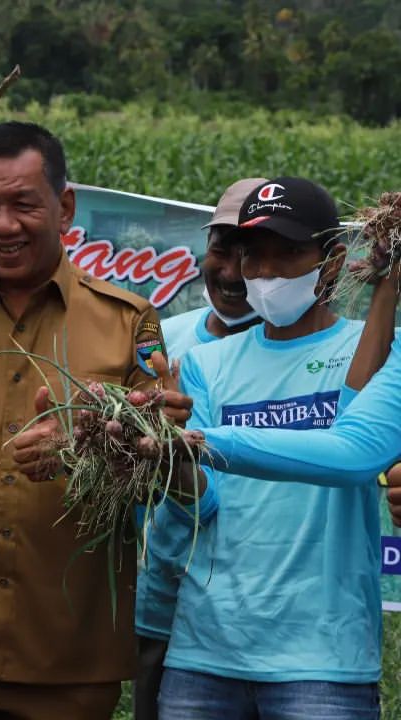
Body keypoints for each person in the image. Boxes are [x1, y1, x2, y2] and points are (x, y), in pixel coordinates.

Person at [0, 120, 196, 719]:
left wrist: (117, 444)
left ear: (65, 206)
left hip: (69, 649)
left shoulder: (128, 322)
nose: (2, 226)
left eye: (24, 204)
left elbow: (172, 482)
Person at [157, 177, 381, 719]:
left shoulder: (371, 351)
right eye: (255, 256)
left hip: (323, 661)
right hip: (205, 652)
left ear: (332, 260)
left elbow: (358, 455)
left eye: (289, 254)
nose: (268, 273)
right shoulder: (206, 365)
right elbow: (204, 504)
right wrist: (170, 458)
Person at [133, 176, 264, 720]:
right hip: (164, 604)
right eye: (220, 250)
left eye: (252, 254)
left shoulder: (328, 353)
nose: (231, 271)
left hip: (271, 614)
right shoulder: (160, 339)